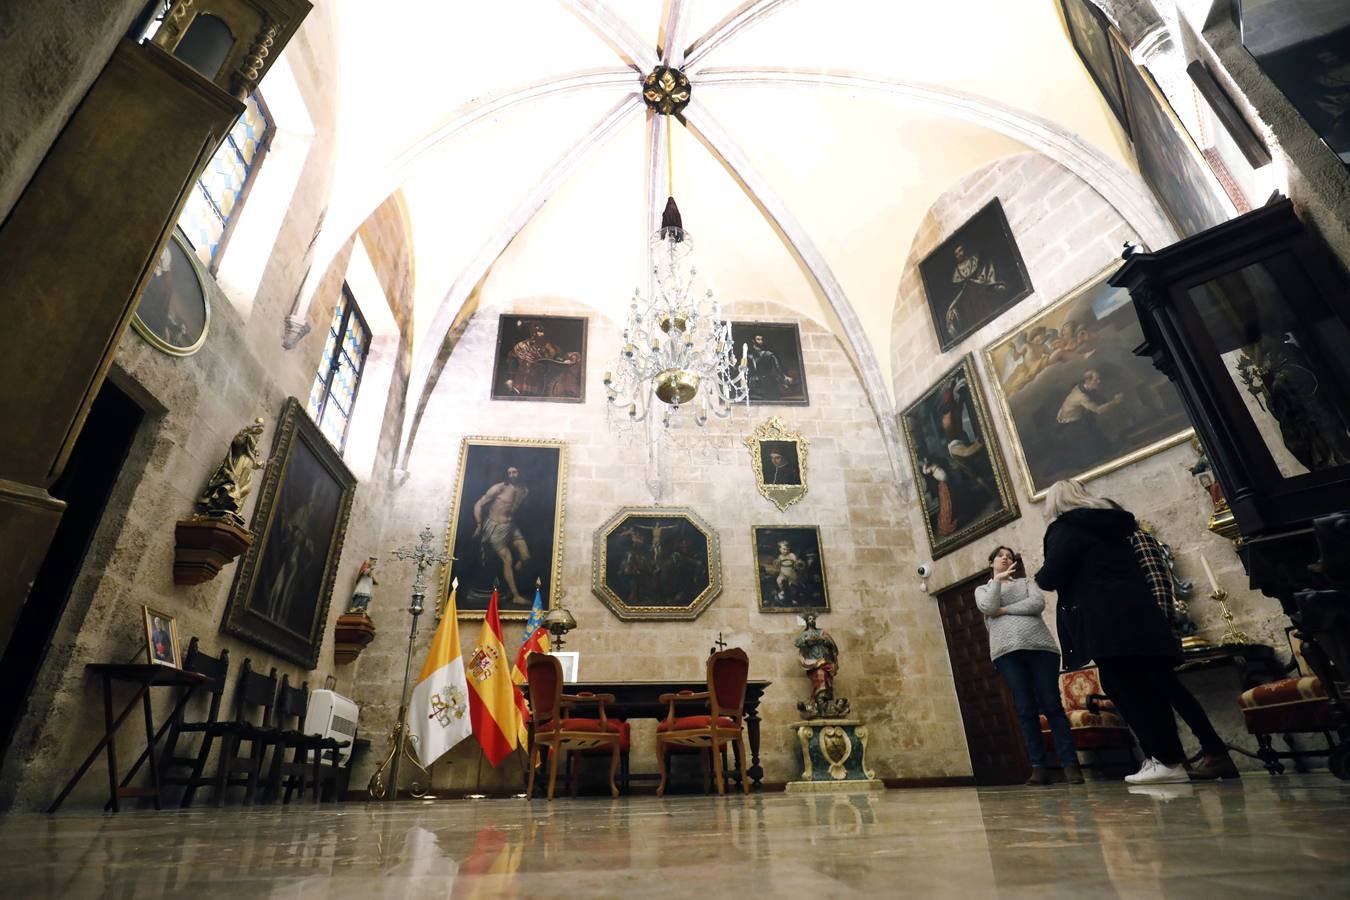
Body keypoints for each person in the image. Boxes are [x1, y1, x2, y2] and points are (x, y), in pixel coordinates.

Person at [1036, 479, 1188, 785]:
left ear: (1055, 503)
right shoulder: (1114, 524)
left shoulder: (1065, 528)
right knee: (1152, 690)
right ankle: (1172, 761)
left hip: (1106, 619)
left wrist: (1040, 575)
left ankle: (1162, 760)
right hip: (1140, 612)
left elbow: (1050, 576)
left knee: (1123, 689)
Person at [1127, 521, 1240, 780]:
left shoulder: (1137, 537)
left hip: (1153, 630)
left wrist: (1160, 621)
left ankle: (1215, 752)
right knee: (1166, 694)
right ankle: (1187, 758)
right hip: (1147, 630)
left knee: (1173, 692)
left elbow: (1157, 580)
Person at [975, 545, 1082, 786]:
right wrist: (998, 582)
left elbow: (1036, 604)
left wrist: (1005, 610)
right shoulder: (983, 589)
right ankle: (1039, 767)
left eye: (1009, 556)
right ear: (991, 562)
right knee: (1025, 709)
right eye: (1000, 556)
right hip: (1007, 653)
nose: (1005, 558)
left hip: (1041, 649)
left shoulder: (1027, 583)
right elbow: (988, 607)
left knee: (1052, 705)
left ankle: (1070, 765)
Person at [473, 466, 532, 606]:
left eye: (515, 472)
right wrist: (479, 524)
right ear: (506, 475)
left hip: (511, 526)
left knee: (525, 557)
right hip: (495, 527)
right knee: (508, 559)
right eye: (510, 473)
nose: (512, 475)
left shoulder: (524, 491)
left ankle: (510, 581)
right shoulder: (499, 488)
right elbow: (478, 504)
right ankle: (516, 596)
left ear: (520, 473)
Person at [944, 243, 1009, 340]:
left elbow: (986, 273)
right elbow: (958, 295)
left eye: (960, 251)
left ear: (965, 250)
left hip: (981, 293)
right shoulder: (956, 273)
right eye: (957, 254)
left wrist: (990, 284)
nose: (960, 254)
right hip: (968, 302)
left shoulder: (975, 259)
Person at [746, 334, 793, 400]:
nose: (761, 341)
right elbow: (744, 369)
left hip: (768, 383)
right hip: (754, 385)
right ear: (753, 341)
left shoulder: (769, 355)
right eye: (758, 339)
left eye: (762, 339)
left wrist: (784, 377)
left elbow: (778, 368)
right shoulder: (748, 356)